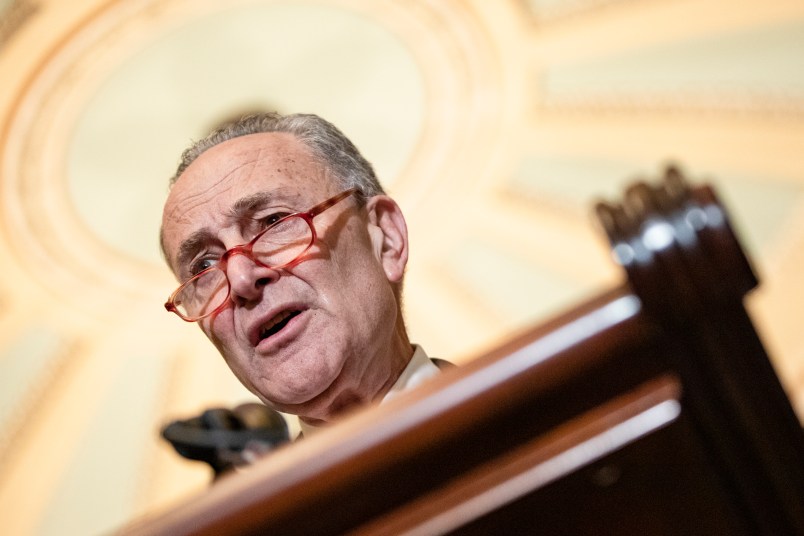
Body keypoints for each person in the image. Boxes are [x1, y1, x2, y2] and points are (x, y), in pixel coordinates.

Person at [160, 112, 445, 437]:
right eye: (204, 266)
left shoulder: (514, 422)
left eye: (273, 222)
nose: (240, 279)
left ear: (387, 238)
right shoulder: (252, 487)